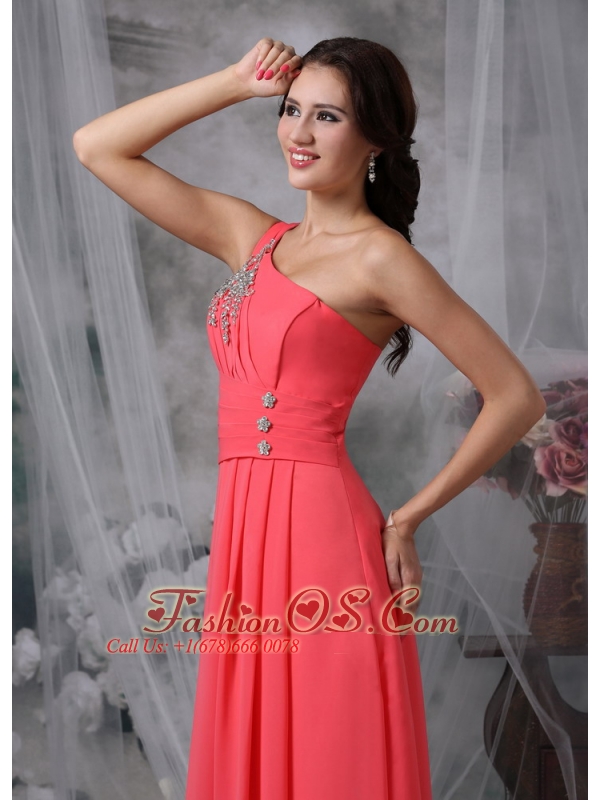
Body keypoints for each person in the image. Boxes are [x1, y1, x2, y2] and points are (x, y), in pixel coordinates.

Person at [73, 35, 546, 800]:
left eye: (327, 116)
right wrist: (236, 82)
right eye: (291, 110)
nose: (298, 132)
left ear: (375, 140)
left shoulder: (381, 259)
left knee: (330, 753)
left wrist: (408, 518)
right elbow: (98, 147)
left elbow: (515, 395)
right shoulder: (250, 238)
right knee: (255, 750)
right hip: (248, 535)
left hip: (323, 536)